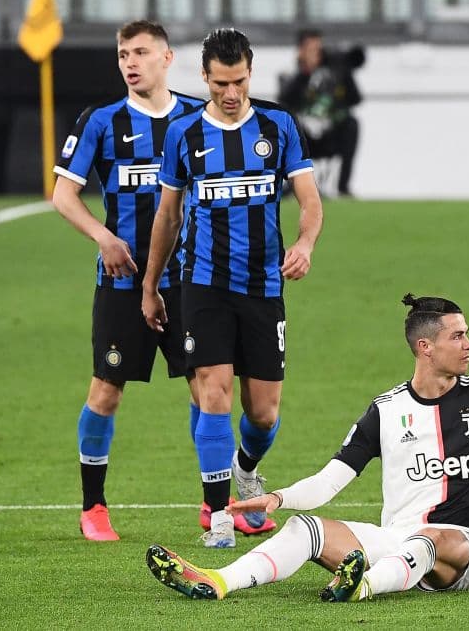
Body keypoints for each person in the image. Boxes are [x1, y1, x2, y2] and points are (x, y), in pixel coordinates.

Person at [145, 293, 469, 601]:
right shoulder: (386, 410)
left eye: (466, 334)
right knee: (304, 529)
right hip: (399, 544)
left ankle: (362, 586)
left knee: (431, 539)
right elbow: (330, 480)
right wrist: (279, 498)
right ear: (425, 347)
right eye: (457, 336)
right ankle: (218, 580)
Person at [142, 27, 324, 549]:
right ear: (204, 76)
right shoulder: (183, 134)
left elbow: (309, 201)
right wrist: (151, 285)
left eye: (239, 81)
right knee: (214, 392)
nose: (230, 92)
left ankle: (245, 467)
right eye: (220, 83)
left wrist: (305, 244)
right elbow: (168, 216)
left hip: (263, 286)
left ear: (250, 73)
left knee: (263, 414)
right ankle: (219, 515)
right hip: (203, 284)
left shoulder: (278, 125)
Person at [51, 20, 205, 541]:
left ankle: (218, 504)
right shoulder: (100, 121)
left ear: (167, 57)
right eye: (122, 54)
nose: (130, 63)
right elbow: (63, 195)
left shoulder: (198, 117)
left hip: (189, 280)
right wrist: (103, 237)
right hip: (123, 282)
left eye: (140, 52)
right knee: (106, 390)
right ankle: (93, 507)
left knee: (208, 388)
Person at [278, 28, 362, 198]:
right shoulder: (290, 73)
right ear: (300, 50)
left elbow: (355, 98)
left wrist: (343, 74)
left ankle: (343, 187)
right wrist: (305, 73)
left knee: (351, 124)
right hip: (305, 136)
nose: (316, 53)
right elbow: (284, 101)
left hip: (331, 133)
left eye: (318, 48)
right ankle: (290, 184)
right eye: (310, 49)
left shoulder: (336, 68)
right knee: (285, 126)